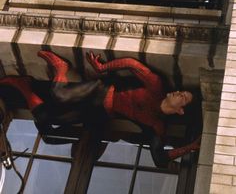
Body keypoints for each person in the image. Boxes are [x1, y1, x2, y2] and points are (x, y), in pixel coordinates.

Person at [0, 51, 200, 167]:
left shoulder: (157, 125)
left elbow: (159, 159)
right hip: (100, 91)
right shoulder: (156, 85)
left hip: (99, 112)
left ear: (180, 111)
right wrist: (103, 68)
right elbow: (131, 64)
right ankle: (61, 67)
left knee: (45, 118)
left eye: (183, 97)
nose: (178, 93)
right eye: (181, 91)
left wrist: (190, 147)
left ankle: (23, 85)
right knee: (59, 94)